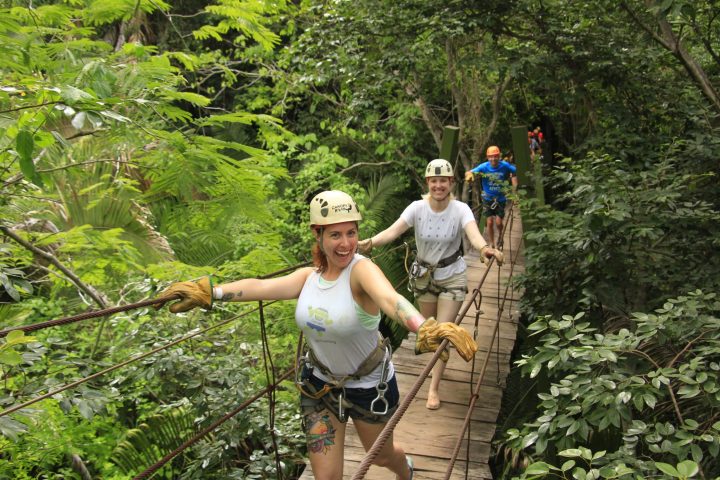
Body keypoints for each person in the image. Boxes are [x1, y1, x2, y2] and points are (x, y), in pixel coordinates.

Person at [155, 190, 478, 480]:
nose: (346, 243)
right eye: (335, 234)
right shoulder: (308, 278)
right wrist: (212, 292)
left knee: (380, 455)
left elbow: (390, 300)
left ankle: (403, 469)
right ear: (318, 234)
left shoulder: (361, 270)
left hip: (368, 387)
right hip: (318, 386)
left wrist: (424, 327)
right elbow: (261, 286)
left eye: (351, 233)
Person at [357, 159, 503, 410]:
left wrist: (485, 248)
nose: (438, 186)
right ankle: (434, 372)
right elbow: (393, 232)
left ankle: (433, 388)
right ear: (428, 183)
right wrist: (369, 243)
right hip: (424, 277)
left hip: (452, 275)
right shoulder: (416, 208)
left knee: (444, 332)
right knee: (428, 332)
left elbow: (473, 233)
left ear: (450, 183)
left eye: (443, 181)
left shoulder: (460, 210)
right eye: (434, 181)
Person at [464, 146, 517, 249]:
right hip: (487, 198)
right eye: (491, 157)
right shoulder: (484, 167)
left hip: (500, 198)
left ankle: (500, 235)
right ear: (488, 157)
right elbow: (469, 172)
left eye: (495, 156)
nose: (493, 159)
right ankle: (492, 243)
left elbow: (515, 171)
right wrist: (469, 177)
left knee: (498, 222)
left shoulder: (505, 166)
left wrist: (515, 186)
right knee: (489, 221)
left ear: (499, 156)